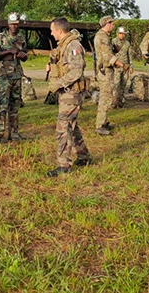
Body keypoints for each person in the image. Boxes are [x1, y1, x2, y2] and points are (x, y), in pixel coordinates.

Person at [46, 17, 92, 177]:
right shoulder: (64, 46)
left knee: (63, 127)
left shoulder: (73, 46)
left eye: (52, 31)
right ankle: (84, 156)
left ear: (60, 30)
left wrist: (58, 83)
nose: (51, 34)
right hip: (67, 93)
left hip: (72, 92)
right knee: (72, 124)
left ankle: (64, 165)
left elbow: (76, 71)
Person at [0, 13, 28, 144]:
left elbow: (26, 54)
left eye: (16, 24)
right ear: (8, 24)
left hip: (17, 75)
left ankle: (14, 133)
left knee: (15, 105)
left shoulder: (21, 38)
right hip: (4, 76)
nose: (14, 26)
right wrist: (9, 52)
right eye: (12, 24)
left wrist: (23, 55)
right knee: (2, 106)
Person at [94, 16, 125, 135]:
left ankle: (103, 121)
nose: (114, 25)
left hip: (107, 69)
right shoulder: (101, 37)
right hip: (105, 71)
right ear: (108, 23)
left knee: (107, 95)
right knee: (105, 97)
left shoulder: (105, 36)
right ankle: (100, 125)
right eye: (112, 23)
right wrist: (120, 64)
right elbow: (106, 55)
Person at [111, 26, 133, 108]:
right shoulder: (113, 42)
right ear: (117, 34)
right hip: (116, 66)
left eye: (123, 34)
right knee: (116, 84)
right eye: (120, 34)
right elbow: (110, 54)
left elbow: (130, 55)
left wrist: (131, 66)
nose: (122, 35)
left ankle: (121, 101)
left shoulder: (127, 43)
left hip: (125, 67)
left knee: (123, 84)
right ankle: (114, 102)